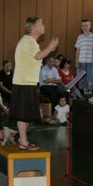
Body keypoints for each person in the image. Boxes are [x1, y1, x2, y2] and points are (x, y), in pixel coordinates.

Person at [12, 16, 59, 151]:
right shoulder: (28, 41)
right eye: (41, 23)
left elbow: (37, 55)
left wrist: (49, 49)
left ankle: (21, 138)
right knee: (23, 113)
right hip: (23, 82)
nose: (43, 26)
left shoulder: (31, 42)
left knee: (27, 113)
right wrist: (50, 47)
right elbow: (38, 56)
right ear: (33, 27)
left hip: (28, 82)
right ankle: (23, 142)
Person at [75, 19, 93, 96]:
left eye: (86, 25)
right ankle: (85, 92)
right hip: (81, 61)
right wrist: (76, 61)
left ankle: (90, 92)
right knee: (82, 78)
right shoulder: (80, 37)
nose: (85, 27)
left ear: (90, 26)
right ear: (81, 27)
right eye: (83, 26)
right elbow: (77, 50)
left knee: (90, 78)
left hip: (90, 61)